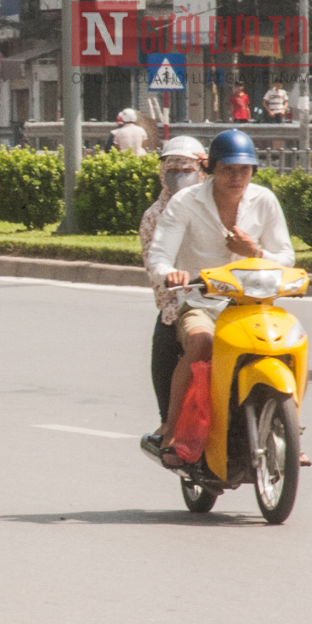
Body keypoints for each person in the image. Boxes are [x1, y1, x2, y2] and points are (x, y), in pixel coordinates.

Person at [145, 129, 294, 464]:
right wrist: (172, 273)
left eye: (244, 170)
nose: (236, 177)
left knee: (290, 346)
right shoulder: (185, 202)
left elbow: (286, 257)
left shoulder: (264, 200)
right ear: (210, 168)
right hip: (200, 304)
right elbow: (159, 256)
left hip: (252, 306)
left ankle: (292, 431)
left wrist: (253, 250)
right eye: (227, 169)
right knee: (201, 344)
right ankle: (171, 429)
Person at [137, 136, 207, 424]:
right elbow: (156, 269)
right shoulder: (155, 216)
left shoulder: (218, 204)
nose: (179, 177)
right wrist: (171, 304)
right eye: (172, 171)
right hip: (182, 300)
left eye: (187, 170)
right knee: (165, 345)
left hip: (228, 295)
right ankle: (169, 422)